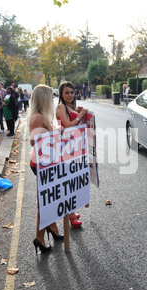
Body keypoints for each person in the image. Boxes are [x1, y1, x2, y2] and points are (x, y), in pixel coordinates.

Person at [28, 84, 63, 254]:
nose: (53, 100)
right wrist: (55, 132)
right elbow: (34, 142)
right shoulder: (37, 117)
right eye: (50, 97)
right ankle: (39, 238)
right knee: (45, 202)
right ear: (43, 98)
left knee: (52, 199)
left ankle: (53, 229)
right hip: (41, 164)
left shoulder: (43, 116)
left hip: (48, 161)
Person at [55, 81, 88, 228]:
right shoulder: (61, 107)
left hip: (74, 147)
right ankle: (71, 215)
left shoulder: (70, 107)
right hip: (65, 148)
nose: (70, 95)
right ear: (61, 94)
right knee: (67, 182)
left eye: (72, 92)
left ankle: (71, 211)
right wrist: (80, 115)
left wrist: (78, 111)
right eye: (67, 92)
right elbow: (68, 126)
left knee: (72, 181)